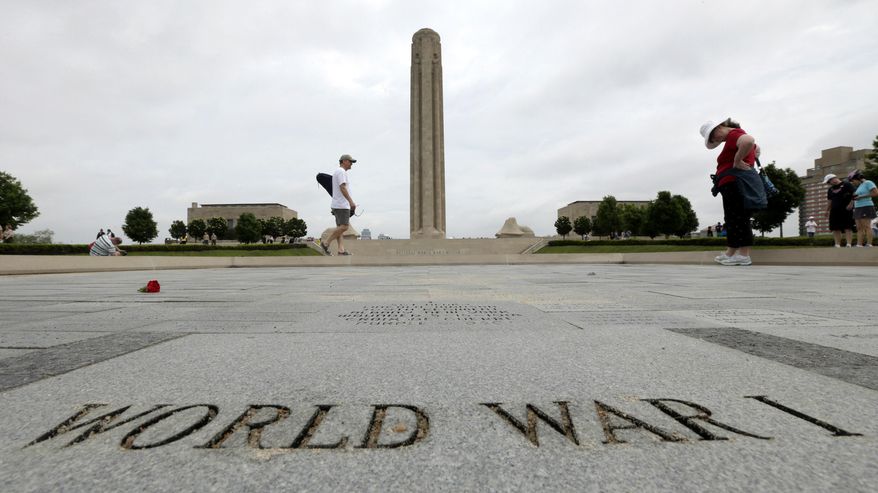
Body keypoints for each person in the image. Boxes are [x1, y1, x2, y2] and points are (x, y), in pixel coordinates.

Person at [701, 118, 759, 266]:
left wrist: (738, 160)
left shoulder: (735, 134)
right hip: (731, 183)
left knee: (738, 218)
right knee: (733, 218)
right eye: (713, 139)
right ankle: (731, 252)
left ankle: (743, 255)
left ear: (719, 127)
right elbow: (755, 147)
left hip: (734, 182)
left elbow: (748, 141)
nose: (715, 139)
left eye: (713, 136)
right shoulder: (733, 137)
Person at [322, 154, 358, 256]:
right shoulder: (341, 172)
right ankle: (326, 243)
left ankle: (341, 250)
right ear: (344, 161)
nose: (352, 164)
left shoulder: (338, 172)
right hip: (341, 205)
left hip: (338, 204)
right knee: (344, 227)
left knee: (340, 228)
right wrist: (351, 202)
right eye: (351, 162)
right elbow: (342, 188)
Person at [824, 173, 855, 248]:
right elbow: (829, 200)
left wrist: (851, 204)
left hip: (846, 209)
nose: (829, 184)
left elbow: (854, 194)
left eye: (829, 182)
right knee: (835, 227)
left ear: (833, 179)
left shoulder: (847, 184)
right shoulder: (830, 189)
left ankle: (849, 244)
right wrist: (827, 210)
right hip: (834, 210)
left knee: (848, 226)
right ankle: (837, 244)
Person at [848, 170, 877, 247]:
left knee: (867, 226)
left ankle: (869, 243)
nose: (852, 182)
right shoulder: (859, 186)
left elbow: (875, 193)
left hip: (866, 206)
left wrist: (861, 197)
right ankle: (859, 244)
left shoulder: (868, 183)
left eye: (853, 180)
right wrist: (852, 202)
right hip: (857, 208)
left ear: (858, 178)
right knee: (859, 227)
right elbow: (855, 197)